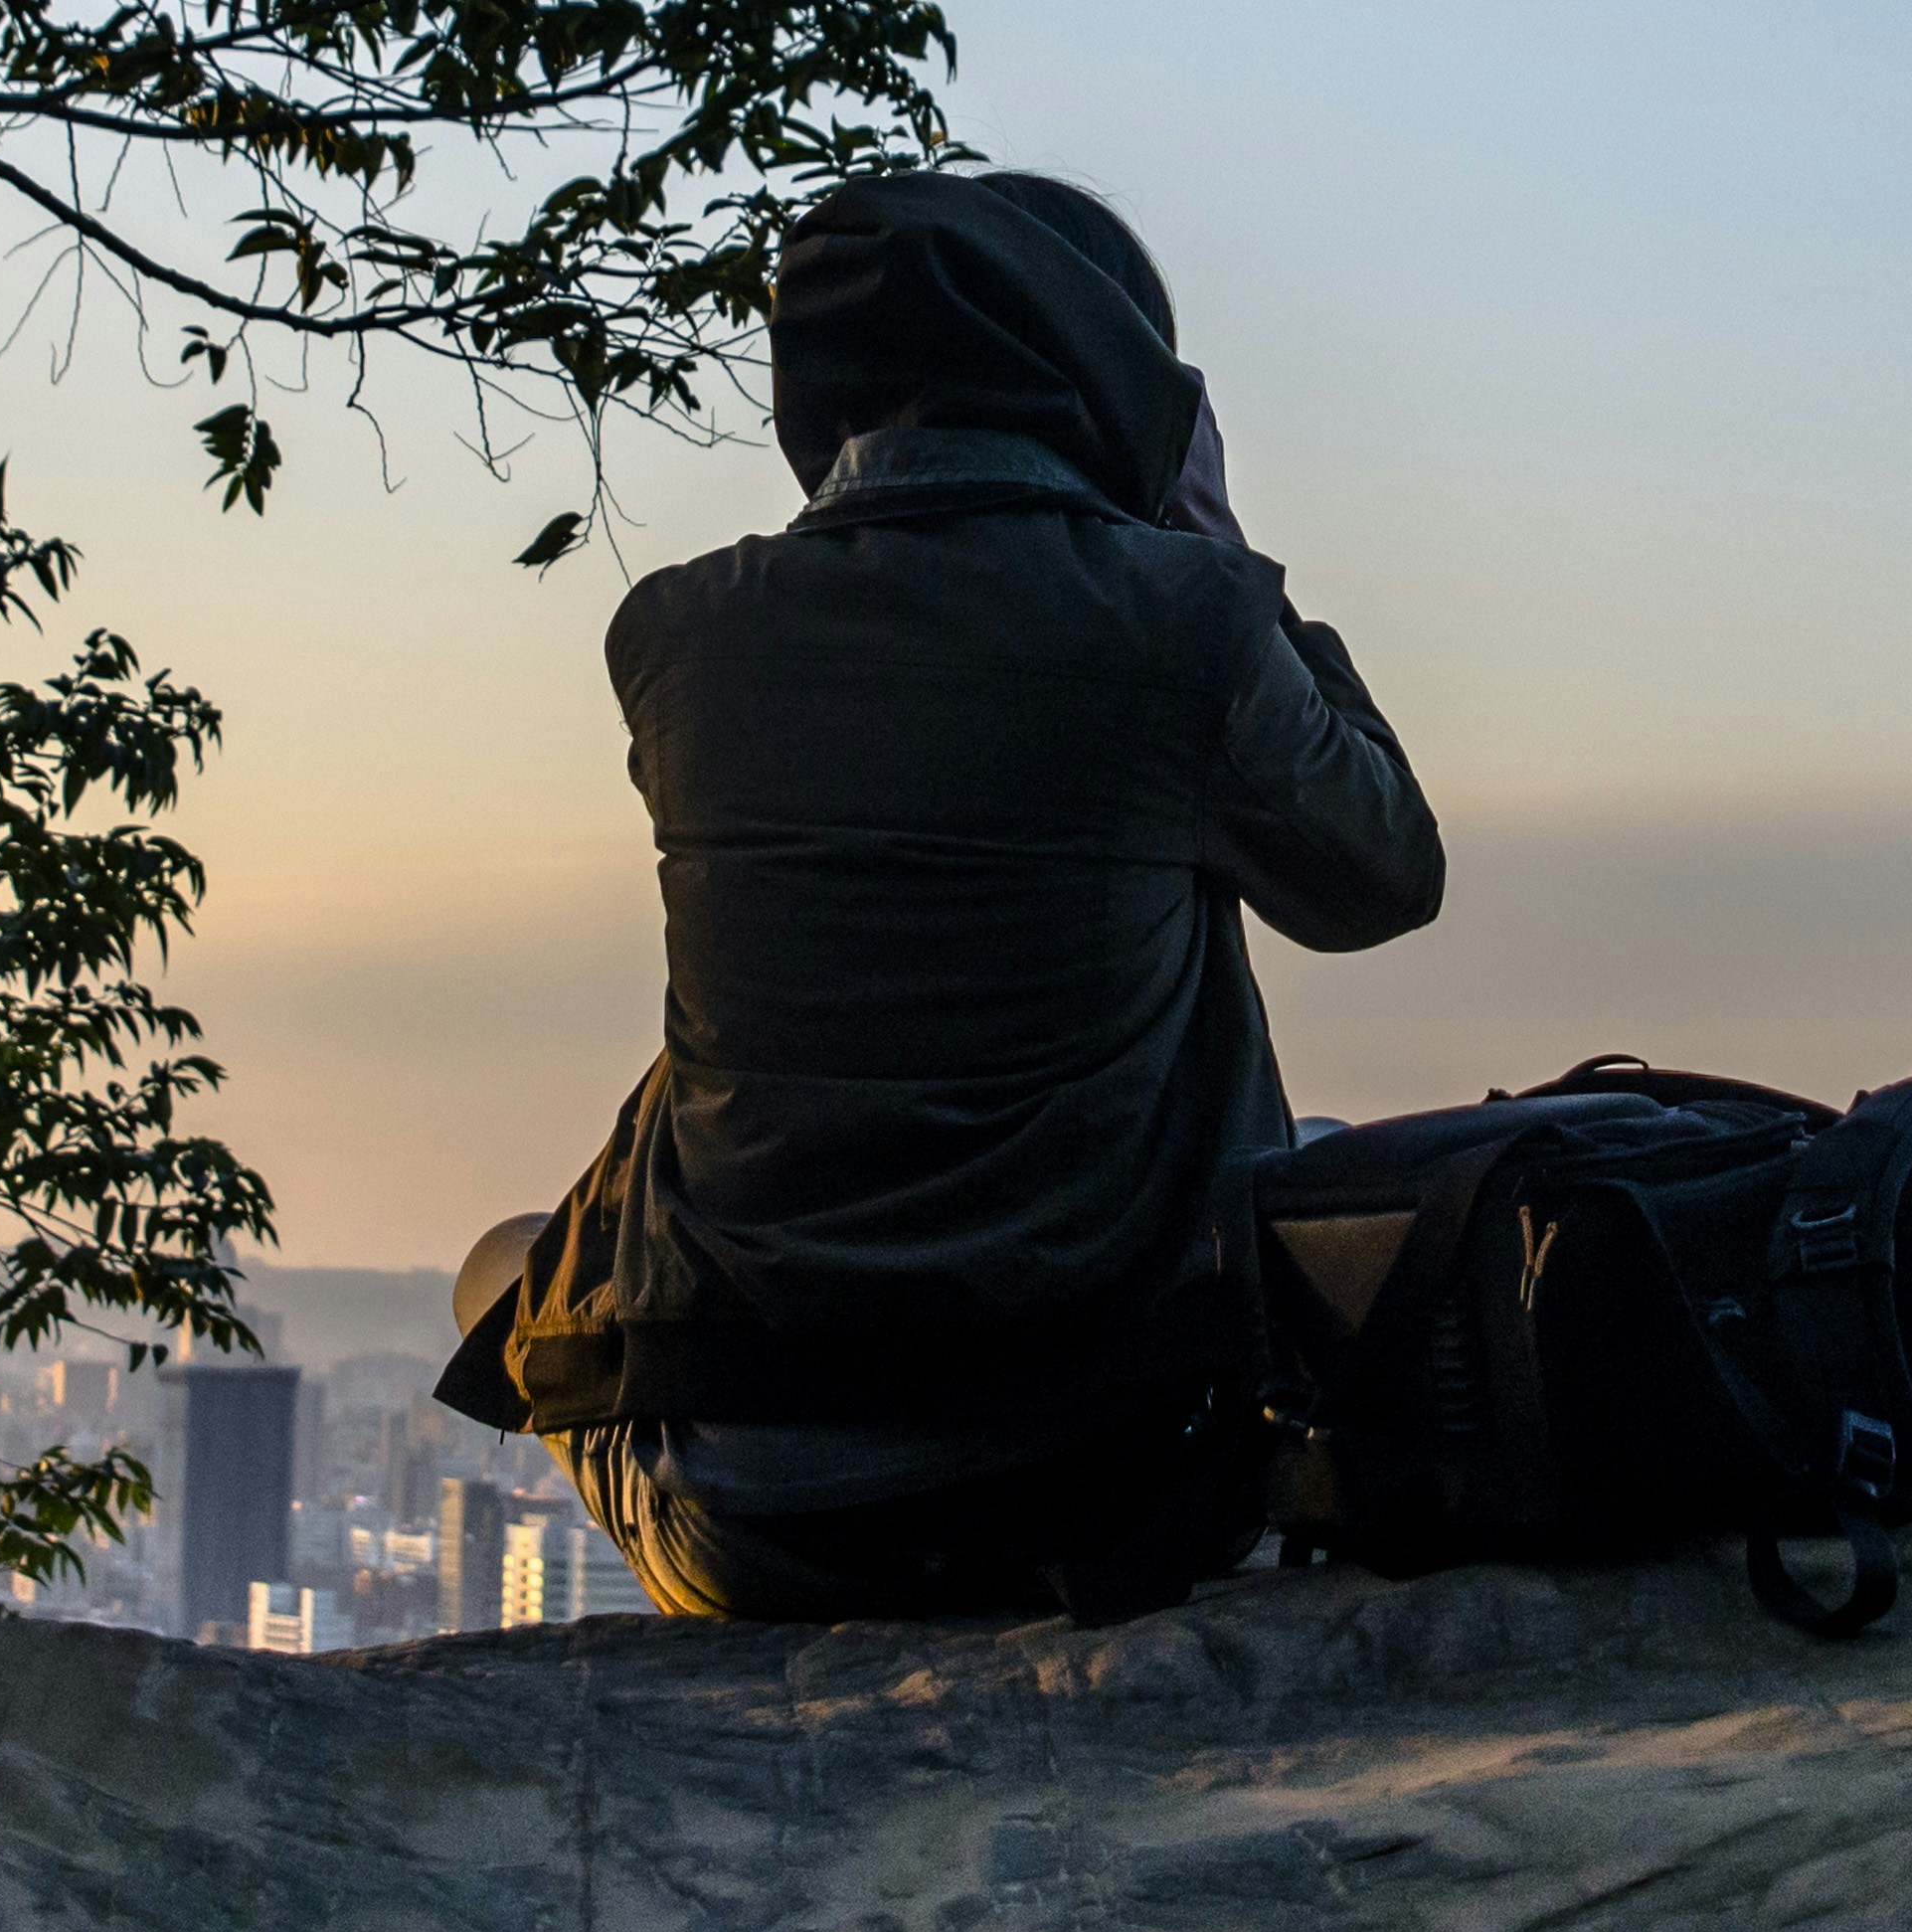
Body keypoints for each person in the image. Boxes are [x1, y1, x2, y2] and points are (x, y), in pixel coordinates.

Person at [438, 171, 1448, 1620]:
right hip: (1117, 1493)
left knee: (496, 1266)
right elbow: (1383, 877)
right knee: (1338, 1179)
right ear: (1129, 396)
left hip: (746, 1517)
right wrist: (1215, 550)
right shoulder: (1180, 622)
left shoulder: (679, 636)